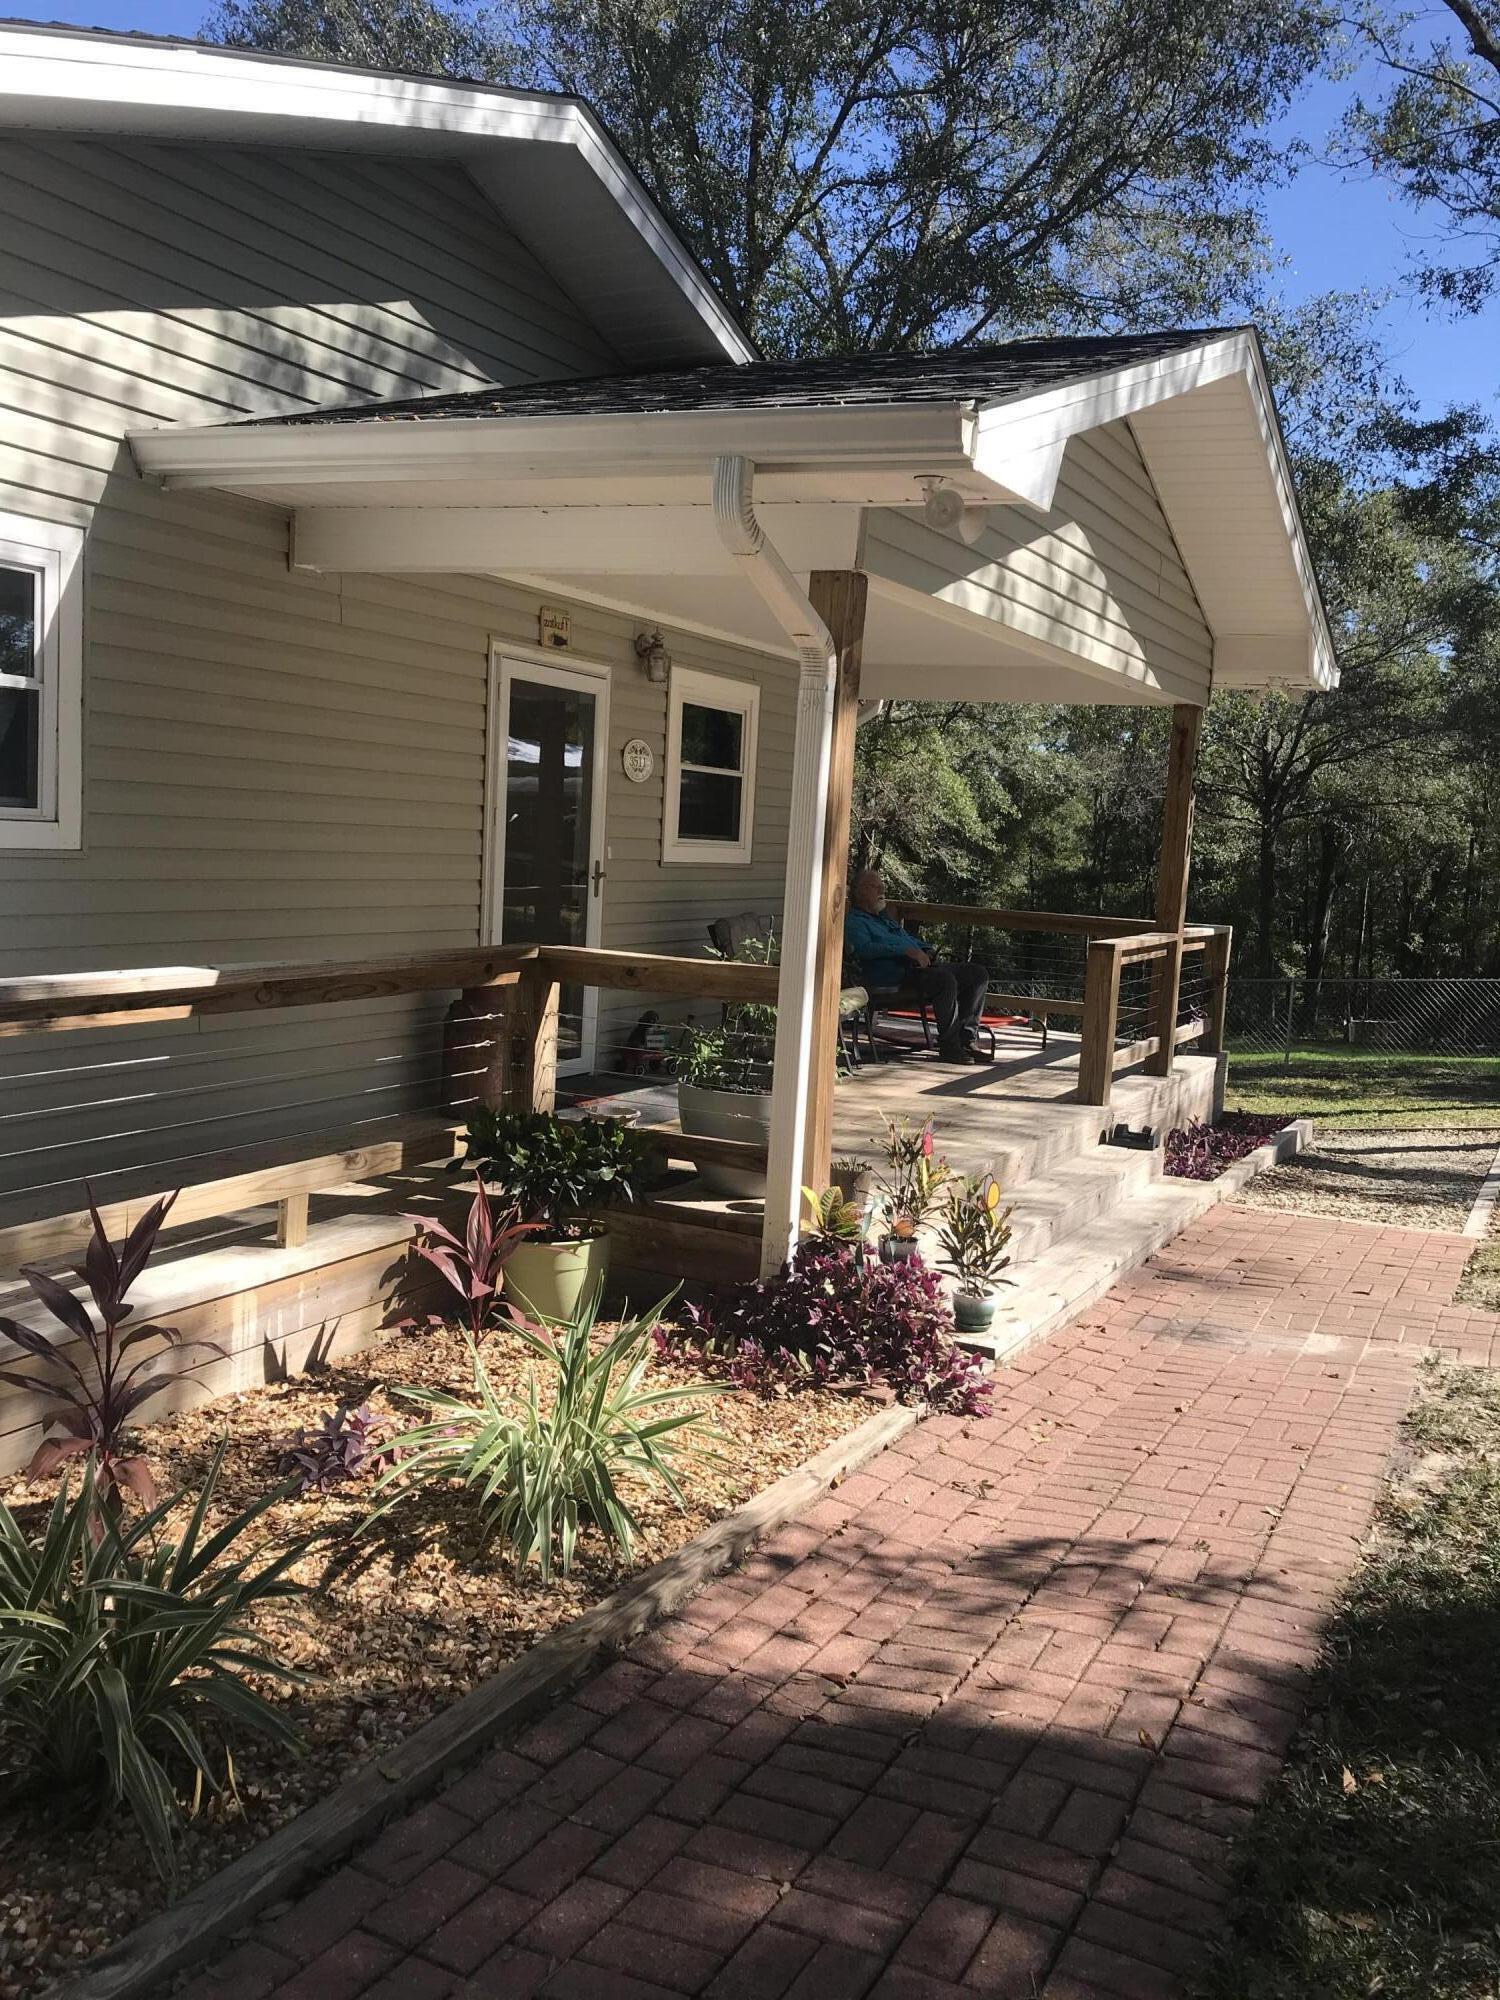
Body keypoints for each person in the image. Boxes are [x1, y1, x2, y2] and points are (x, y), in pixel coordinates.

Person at [843, 869, 992, 1063]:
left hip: (916, 971)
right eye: (876, 887)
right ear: (861, 892)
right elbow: (863, 949)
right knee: (944, 980)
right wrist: (905, 951)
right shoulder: (855, 922)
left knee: (977, 974)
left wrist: (924, 949)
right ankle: (949, 1045)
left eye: (883, 887)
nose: (882, 890)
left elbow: (908, 940)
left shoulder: (884, 918)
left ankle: (966, 1039)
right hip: (890, 977)